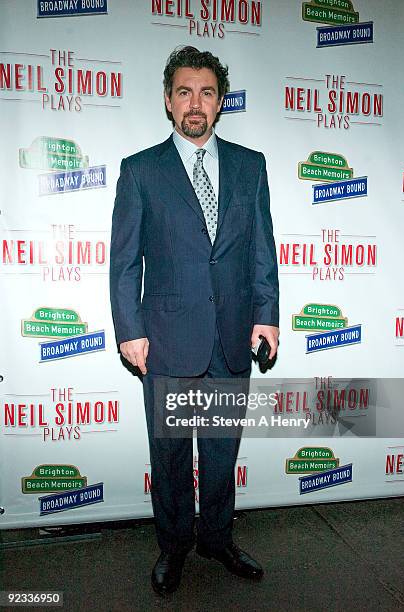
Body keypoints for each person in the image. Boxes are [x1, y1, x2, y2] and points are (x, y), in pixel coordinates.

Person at [110, 46, 279, 595]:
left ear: (220, 101)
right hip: (166, 339)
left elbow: (261, 250)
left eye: (207, 92)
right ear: (168, 100)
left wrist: (267, 317)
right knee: (172, 454)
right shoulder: (140, 171)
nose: (195, 103)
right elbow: (124, 260)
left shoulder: (251, 166)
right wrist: (129, 329)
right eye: (184, 91)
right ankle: (174, 545)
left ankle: (216, 537)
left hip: (231, 337)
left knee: (222, 450)